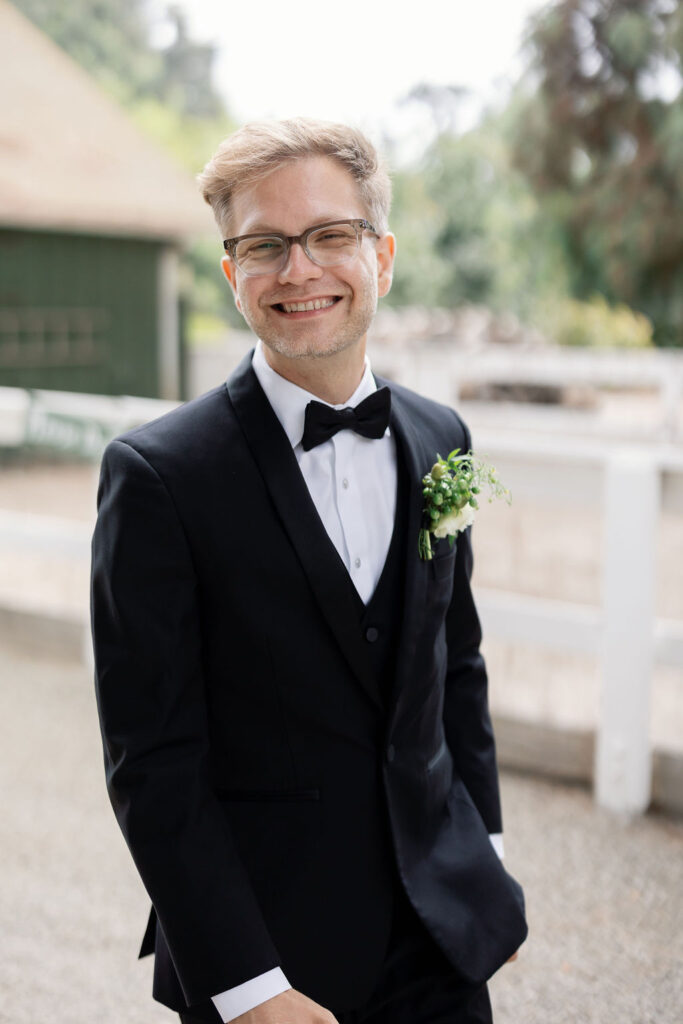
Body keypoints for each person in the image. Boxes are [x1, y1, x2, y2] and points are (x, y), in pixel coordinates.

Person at [91, 118, 527, 1024]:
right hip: (265, 955)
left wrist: (477, 849)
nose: (299, 270)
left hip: (439, 940)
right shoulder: (159, 476)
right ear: (231, 273)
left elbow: (456, 664)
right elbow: (153, 763)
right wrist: (250, 989)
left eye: (330, 235)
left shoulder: (440, 438)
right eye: (265, 245)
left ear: (383, 256)